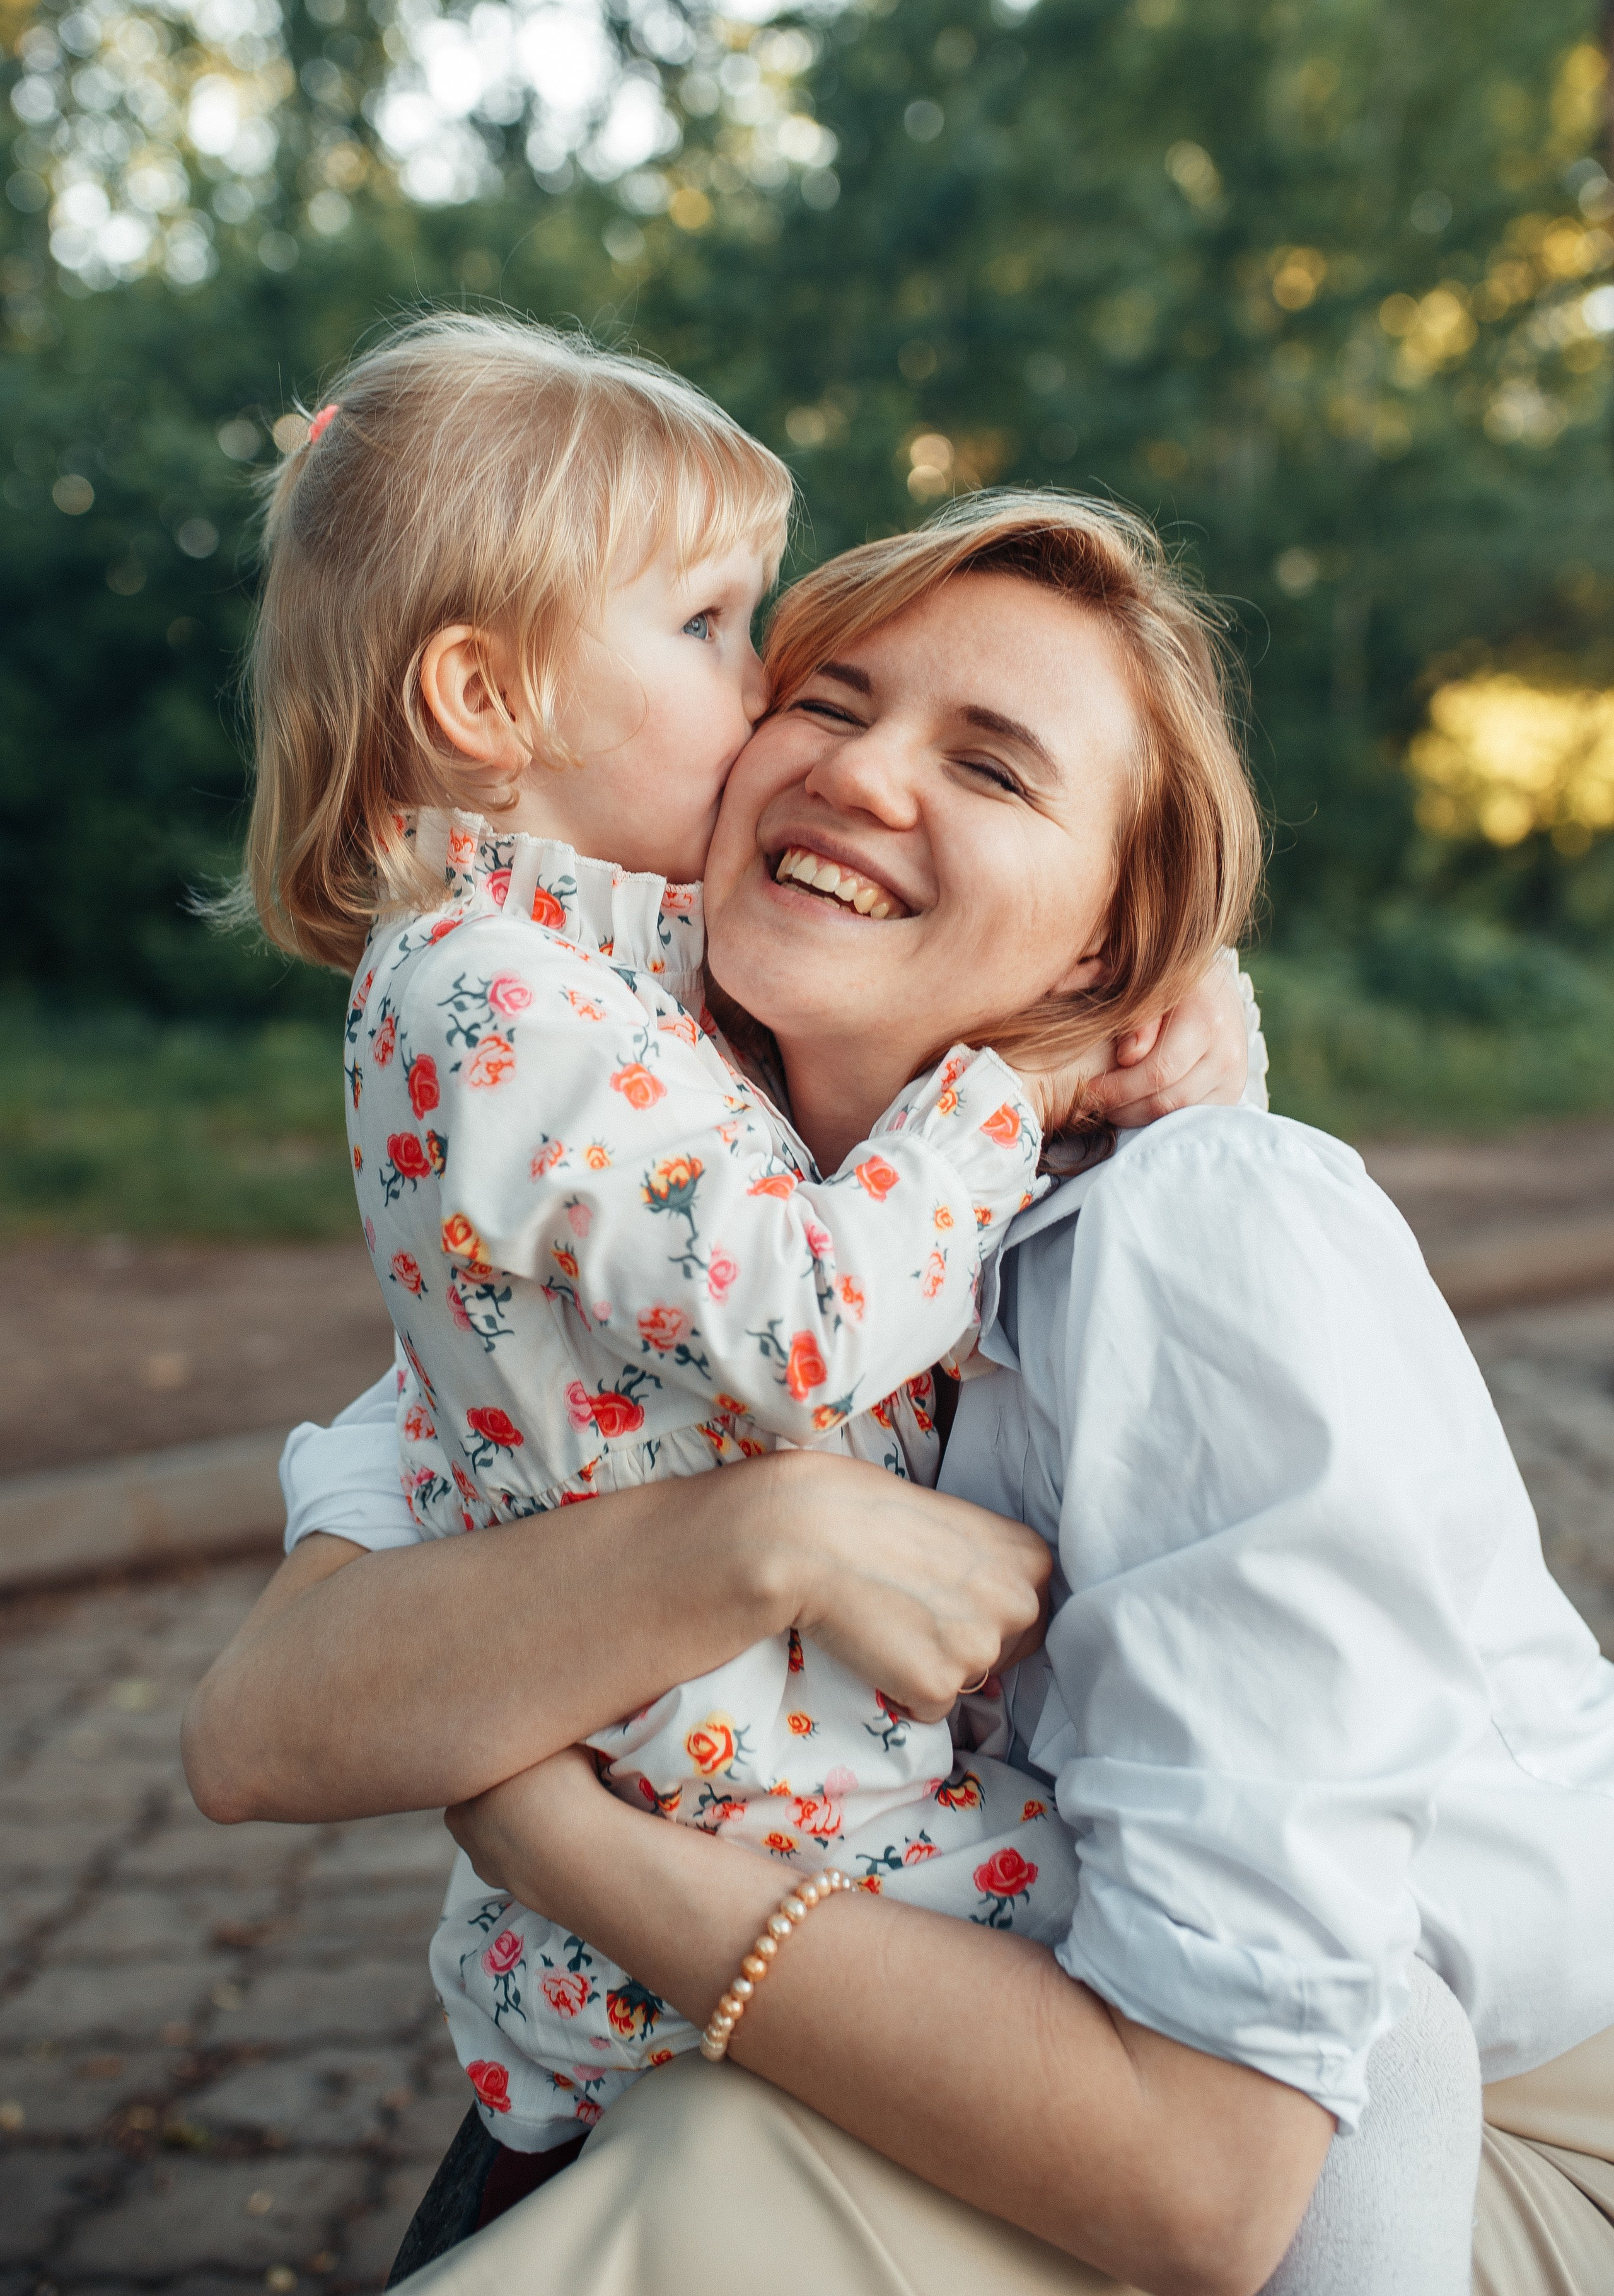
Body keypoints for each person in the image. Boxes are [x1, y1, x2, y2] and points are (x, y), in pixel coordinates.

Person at [189, 492, 1608, 2293]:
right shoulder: (663, 1208)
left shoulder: (1196, 1224)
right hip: (1101, 2055)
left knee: (708, 2144)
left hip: (1470, 2129)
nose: (867, 777)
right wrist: (768, 1530)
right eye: (831, 702)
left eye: (997, 770)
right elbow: (266, 1729)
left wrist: (553, 1831)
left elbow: (1221, 2173)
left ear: (1108, 949)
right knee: (685, 2126)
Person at [226, 316, 1260, 2158]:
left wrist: (1159, 1010)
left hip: (772, 1800)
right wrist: (1018, 1083)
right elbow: (800, 1321)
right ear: (490, 703)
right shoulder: (501, 1002)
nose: (772, 676)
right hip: (764, 1835)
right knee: (1228, 2005)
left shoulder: (609, 987)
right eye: (714, 627)